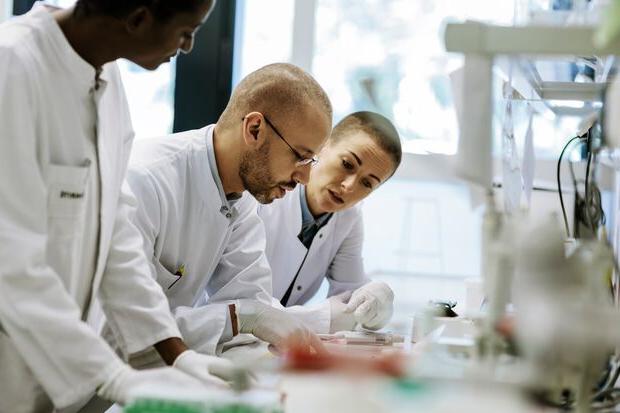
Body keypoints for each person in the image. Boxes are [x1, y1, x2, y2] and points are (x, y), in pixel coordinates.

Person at [0, 1, 240, 412]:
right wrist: (110, 375)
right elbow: (9, 260)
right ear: (138, 18)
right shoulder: (12, 68)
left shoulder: (104, 73)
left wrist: (176, 353)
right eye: (187, 30)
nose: (187, 46)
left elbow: (115, 229)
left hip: (52, 368)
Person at [122, 63, 332, 359]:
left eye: (312, 163)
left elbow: (251, 310)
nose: (305, 178)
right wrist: (238, 318)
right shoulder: (145, 180)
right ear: (254, 129)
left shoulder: (241, 200)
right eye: (300, 157)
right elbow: (121, 327)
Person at [258, 111, 402, 334]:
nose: (349, 186)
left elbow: (350, 300)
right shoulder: (265, 195)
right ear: (323, 145)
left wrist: (376, 304)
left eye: (367, 183)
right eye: (347, 164)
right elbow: (242, 310)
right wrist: (320, 318)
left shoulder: (349, 218)